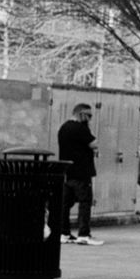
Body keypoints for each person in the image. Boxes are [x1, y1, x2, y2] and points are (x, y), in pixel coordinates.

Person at [56, 102, 100, 246]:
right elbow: (94, 143)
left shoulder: (64, 128)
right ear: (81, 114)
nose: (90, 119)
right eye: (89, 115)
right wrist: (88, 128)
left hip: (67, 172)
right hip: (82, 172)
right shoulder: (80, 128)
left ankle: (64, 232)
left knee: (65, 204)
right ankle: (84, 234)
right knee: (85, 202)